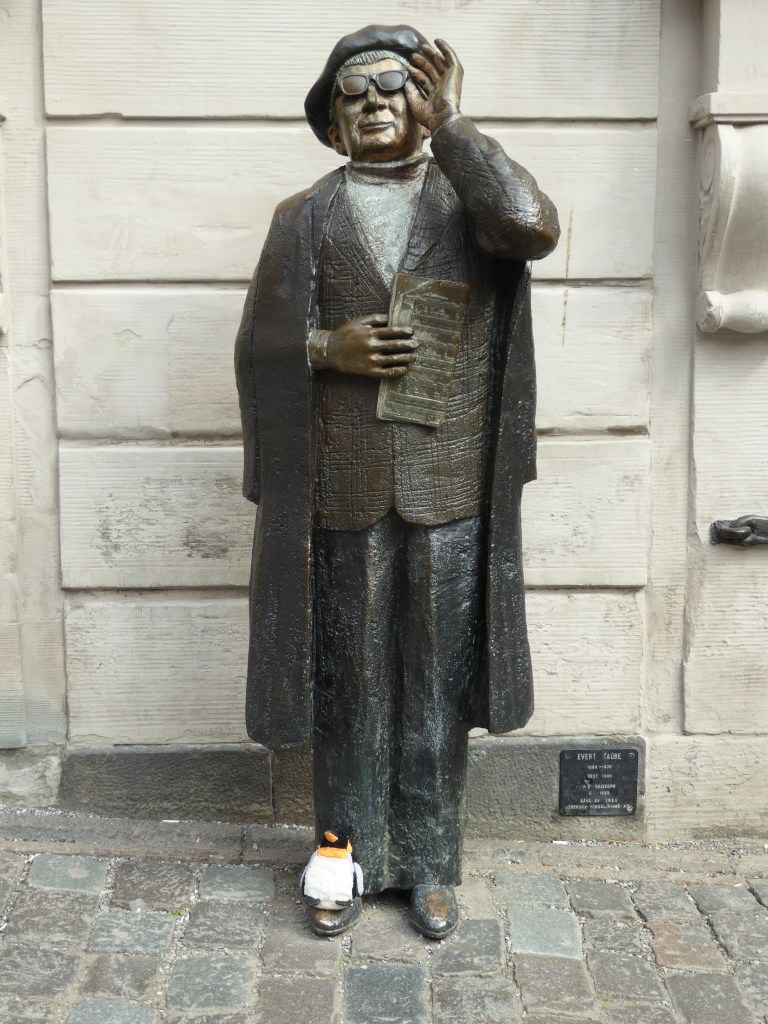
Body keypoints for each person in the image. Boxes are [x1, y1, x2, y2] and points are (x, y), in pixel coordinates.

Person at [235, 24, 559, 939]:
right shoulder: (303, 217)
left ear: (424, 102)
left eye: (395, 88)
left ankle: (429, 862)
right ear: (332, 122)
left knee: (433, 684)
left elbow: (533, 226)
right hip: (341, 488)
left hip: (447, 484)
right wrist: (321, 347)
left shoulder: (468, 201)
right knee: (347, 687)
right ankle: (341, 860)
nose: (375, 103)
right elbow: (255, 345)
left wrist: (456, 128)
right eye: (354, 94)